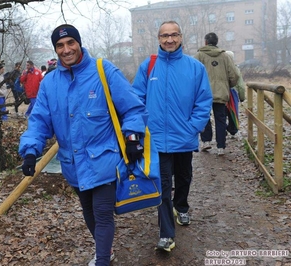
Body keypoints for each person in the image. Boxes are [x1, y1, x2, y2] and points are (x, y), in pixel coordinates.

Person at [18, 24, 147, 266]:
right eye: (60, 45)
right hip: (72, 164)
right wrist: (30, 152)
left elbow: (132, 107)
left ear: (79, 43)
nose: (66, 49)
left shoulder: (103, 70)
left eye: (70, 43)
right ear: (56, 49)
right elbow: (38, 121)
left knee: (102, 213)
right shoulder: (50, 84)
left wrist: (132, 139)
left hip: (104, 159)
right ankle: (105, 251)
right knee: (88, 211)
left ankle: (102, 261)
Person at [132, 20, 212, 252]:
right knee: (163, 185)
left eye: (174, 35)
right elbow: (136, 99)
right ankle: (166, 234)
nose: (169, 39)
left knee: (184, 177)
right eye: (165, 36)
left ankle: (182, 207)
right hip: (157, 140)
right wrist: (140, 130)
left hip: (184, 137)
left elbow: (203, 101)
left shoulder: (195, 68)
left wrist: (192, 127)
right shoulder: (149, 66)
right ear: (158, 39)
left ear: (180, 37)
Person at [194, 32, 239, 156]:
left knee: (204, 117)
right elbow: (234, 75)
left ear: (205, 42)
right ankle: (221, 147)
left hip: (203, 94)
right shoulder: (225, 56)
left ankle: (206, 141)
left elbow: (192, 74)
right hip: (221, 92)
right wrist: (227, 86)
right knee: (221, 119)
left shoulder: (199, 56)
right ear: (217, 42)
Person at [225, 51, 246, 137]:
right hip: (233, 93)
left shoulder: (220, 68)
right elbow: (240, 85)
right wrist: (241, 97)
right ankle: (233, 129)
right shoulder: (235, 69)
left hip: (221, 92)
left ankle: (222, 128)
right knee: (232, 112)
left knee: (221, 113)